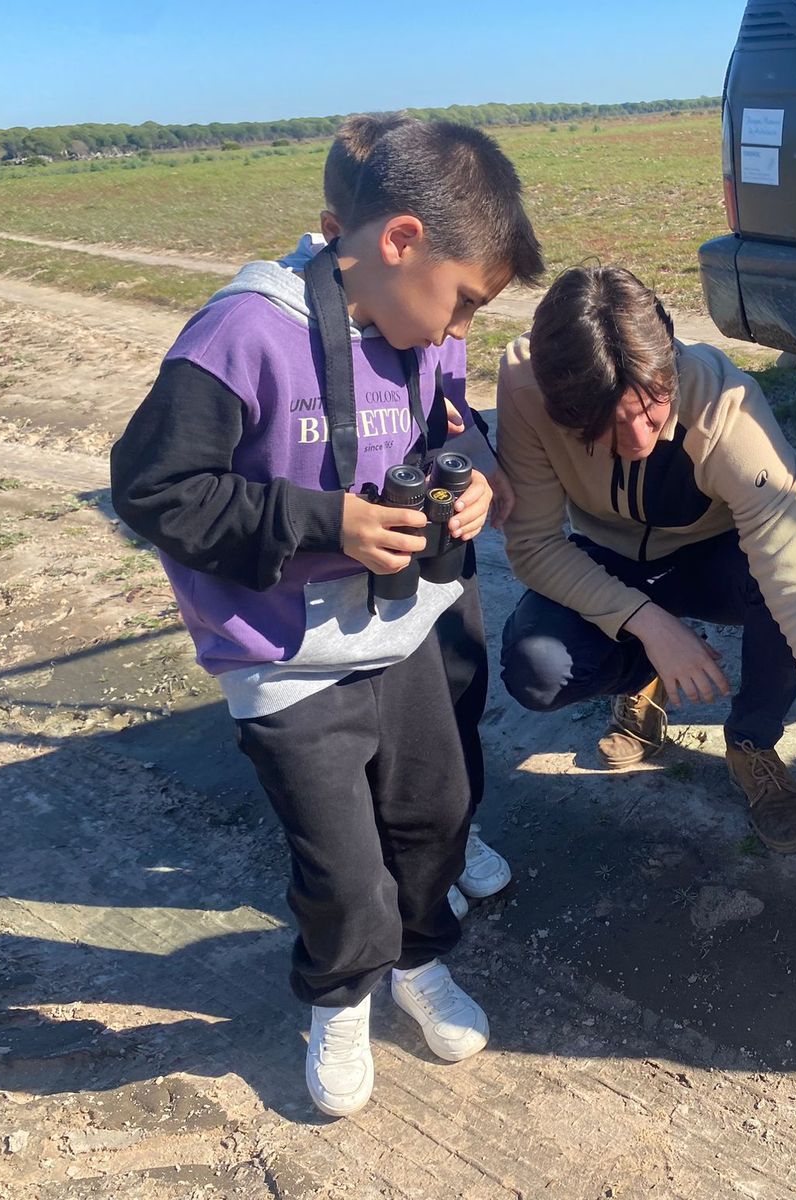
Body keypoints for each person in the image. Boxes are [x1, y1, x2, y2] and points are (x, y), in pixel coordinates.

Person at [109, 118, 544, 1117]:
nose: (455, 332)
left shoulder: (417, 326)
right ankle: (342, 997)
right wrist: (324, 524)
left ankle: (419, 965)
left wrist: (474, 473)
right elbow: (152, 490)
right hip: (287, 662)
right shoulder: (244, 331)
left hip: (407, 638)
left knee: (434, 823)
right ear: (399, 242)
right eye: (462, 301)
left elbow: (448, 427)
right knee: (343, 870)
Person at [495, 265, 796, 947]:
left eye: (653, 407)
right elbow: (534, 546)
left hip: (716, 560)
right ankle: (641, 675)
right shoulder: (524, 386)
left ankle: (752, 741)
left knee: (785, 599)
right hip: (610, 560)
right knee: (538, 669)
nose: (638, 438)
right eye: (610, 423)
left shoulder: (727, 405)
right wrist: (647, 624)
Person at [287, 114, 514, 918]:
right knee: (368, 719)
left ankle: (453, 835)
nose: (455, 329)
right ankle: (394, 860)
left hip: (436, 545)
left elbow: (453, 404)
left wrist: (481, 464)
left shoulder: (432, 311)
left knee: (457, 683)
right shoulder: (307, 327)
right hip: (351, 565)